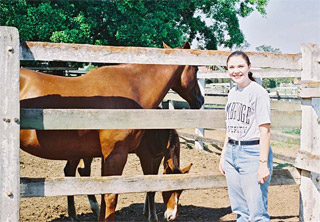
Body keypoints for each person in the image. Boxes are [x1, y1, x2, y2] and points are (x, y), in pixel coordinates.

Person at [219, 51, 273, 221]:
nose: (236, 71)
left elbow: (265, 130)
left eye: (240, 66)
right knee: (241, 210)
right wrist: (223, 156)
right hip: (232, 153)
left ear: (249, 67)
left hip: (252, 153)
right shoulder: (232, 92)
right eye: (232, 67)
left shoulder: (258, 93)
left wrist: (263, 164)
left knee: (257, 212)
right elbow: (230, 126)